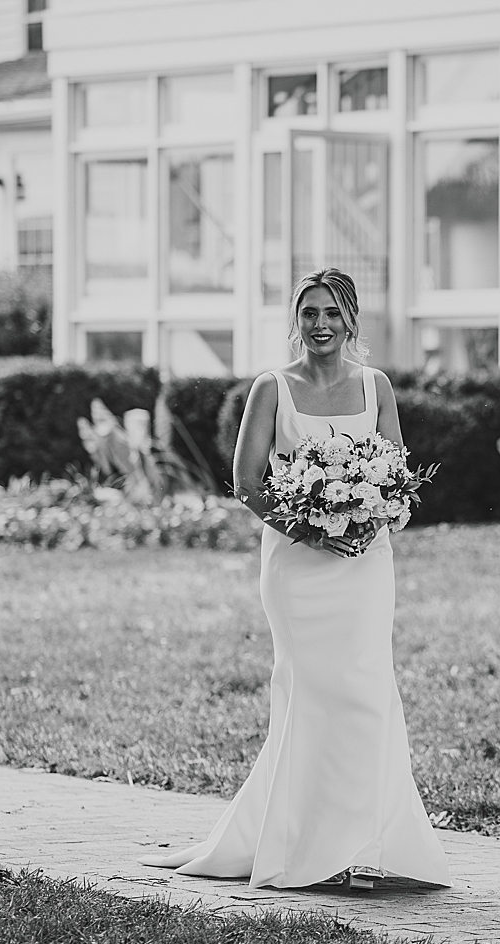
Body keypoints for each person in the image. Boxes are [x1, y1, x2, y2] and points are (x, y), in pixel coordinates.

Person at [143, 266, 450, 893]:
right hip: (297, 568)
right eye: (309, 313)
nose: (320, 325)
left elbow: (395, 472)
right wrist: (310, 528)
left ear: (351, 320)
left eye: (332, 313)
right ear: (295, 321)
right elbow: (248, 482)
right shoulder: (272, 389)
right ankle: (312, 850)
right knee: (311, 699)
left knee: (367, 695)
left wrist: (373, 515)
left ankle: (363, 841)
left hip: (364, 567)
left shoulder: (377, 387)